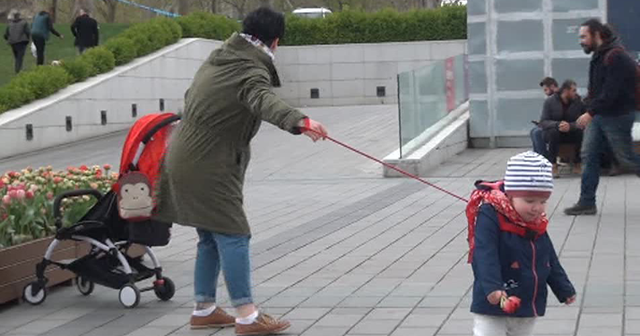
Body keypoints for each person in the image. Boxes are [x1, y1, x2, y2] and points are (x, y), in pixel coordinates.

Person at [154, 7, 328, 336]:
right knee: (234, 233)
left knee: (210, 235)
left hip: (183, 154)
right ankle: (247, 316)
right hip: (208, 163)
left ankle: (204, 309)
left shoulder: (220, 57)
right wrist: (299, 121)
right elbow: (260, 98)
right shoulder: (249, 68)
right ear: (275, 42)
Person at [467, 151, 576, 336]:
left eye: (543, 201)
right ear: (510, 196)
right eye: (529, 200)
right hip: (495, 299)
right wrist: (493, 287)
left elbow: (548, 255)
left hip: (527, 300)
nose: (537, 208)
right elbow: (485, 253)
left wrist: (563, 287)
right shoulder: (489, 215)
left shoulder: (536, 222)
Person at [565, 19, 640, 216]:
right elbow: (599, 90)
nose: (581, 41)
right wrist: (589, 108)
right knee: (589, 156)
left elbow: (611, 92)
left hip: (617, 116)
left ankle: (586, 201)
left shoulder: (616, 57)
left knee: (627, 160)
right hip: (600, 115)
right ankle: (587, 202)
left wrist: (590, 112)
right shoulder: (601, 56)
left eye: (583, 36)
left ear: (597, 34)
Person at [538, 80, 585, 176]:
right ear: (566, 91)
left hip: (571, 131)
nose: (575, 93)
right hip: (554, 131)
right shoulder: (550, 101)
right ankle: (553, 164)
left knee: (579, 132)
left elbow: (583, 120)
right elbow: (544, 121)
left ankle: (577, 163)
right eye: (573, 90)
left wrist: (570, 126)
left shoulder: (578, 102)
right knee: (553, 133)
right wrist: (558, 124)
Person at [530, 77, 559, 160]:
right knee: (534, 131)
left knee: (537, 133)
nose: (545, 93)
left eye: (546, 90)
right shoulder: (552, 99)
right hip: (553, 124)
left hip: (559, 126)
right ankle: (539, 159)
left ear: (553, 86)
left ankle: (545, 160)